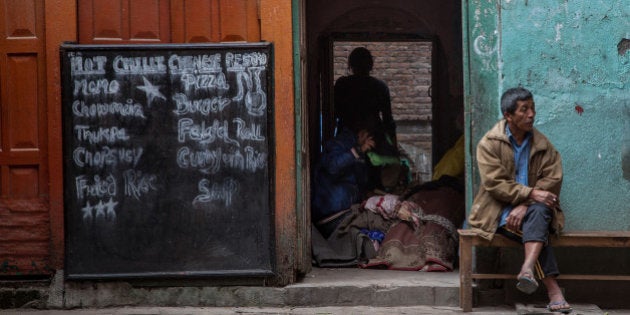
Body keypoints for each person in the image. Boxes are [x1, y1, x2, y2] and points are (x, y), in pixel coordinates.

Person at [467, 87, 572, 313]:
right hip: (498, 215)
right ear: (508, 115)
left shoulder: (543, 145)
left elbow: (553, 180)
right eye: (524, 110)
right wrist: (532, 194)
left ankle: (527, 269)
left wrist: (525, 203)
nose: (531, 114)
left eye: (532, 108)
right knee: (539, 223)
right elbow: (495, 184)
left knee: (540, 213)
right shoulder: (490, 143)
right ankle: (552, 289)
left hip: (533, 212)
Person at [334, 47, 400, 190]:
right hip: (373, 138)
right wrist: (393, 146)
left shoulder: (342, 85)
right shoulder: (380, 87)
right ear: (371, 65)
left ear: (350, 65)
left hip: (347, 137)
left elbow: (334, 113)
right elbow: (388, 120)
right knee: (373, 181)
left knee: (347, 176)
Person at [311, 126, 376, 238]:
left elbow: (360, 181)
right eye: (367, 136)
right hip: (330, 214)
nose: (369, 140)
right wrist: (358, 150)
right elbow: (332, 166)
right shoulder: (340, 143)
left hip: (346, 212)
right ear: (361, 132)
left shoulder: (359, 151)